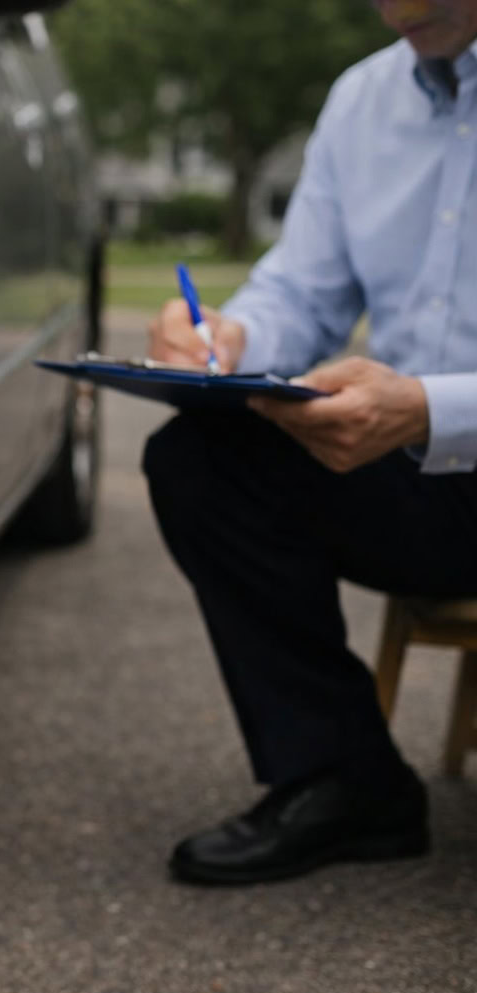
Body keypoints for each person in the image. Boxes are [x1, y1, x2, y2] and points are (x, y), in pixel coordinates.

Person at [144, 0, 477, 885]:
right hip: (419, 473)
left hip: (436, 430)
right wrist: (229, 340)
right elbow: (303, 288)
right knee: (198, 459)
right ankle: (344, 780)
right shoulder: (362, 100)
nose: (397, 8)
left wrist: (434, 407)